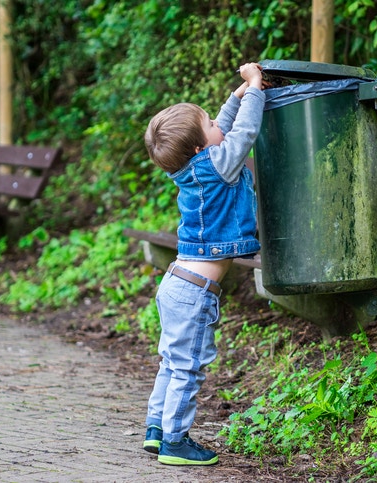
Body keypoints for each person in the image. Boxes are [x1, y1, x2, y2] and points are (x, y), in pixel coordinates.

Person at [141, 62, 265, 466]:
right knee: (188, 368)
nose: (219, 124)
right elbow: (243, 133)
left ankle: (157, 428)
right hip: (194, 293)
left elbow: (221, 131)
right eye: (211, 122)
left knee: (171, 363)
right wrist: (256, 88)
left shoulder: (194, 166)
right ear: (200, 146)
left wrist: (235, 97)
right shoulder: (218, 164)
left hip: (177, 283)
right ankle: (176, 442)